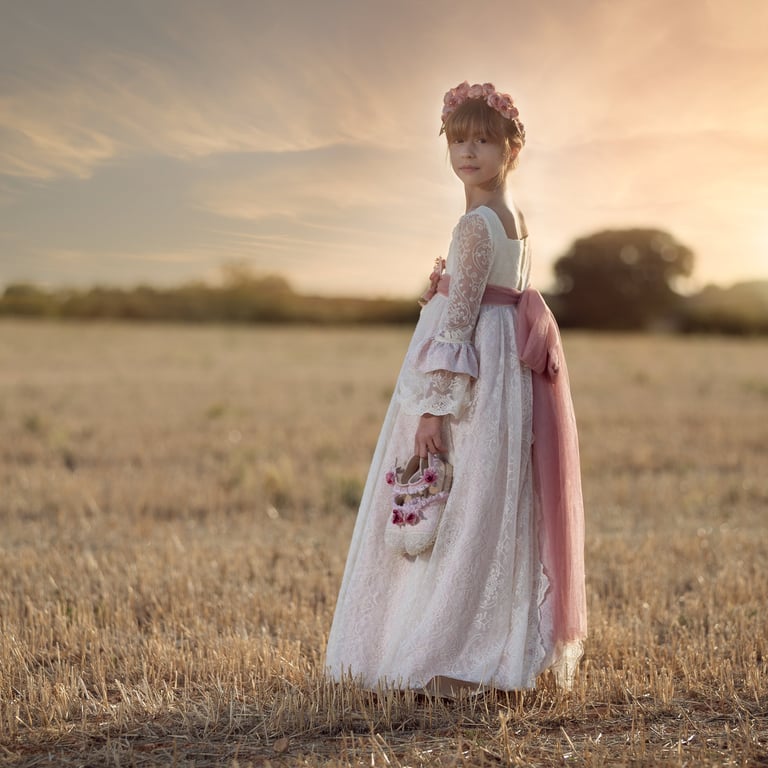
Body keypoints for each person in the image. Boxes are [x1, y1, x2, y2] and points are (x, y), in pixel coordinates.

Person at [325, 81, 586, 695]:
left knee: (451, 507)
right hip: (504, 381)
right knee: (486, 507)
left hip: (471, 384)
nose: (469, 152)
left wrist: (433, 410)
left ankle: (440, 650)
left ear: (510, 149)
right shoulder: (514, 217)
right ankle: (487, 647)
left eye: (484, 141)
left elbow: (459, 323)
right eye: (458, 140)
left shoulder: (475, 224)